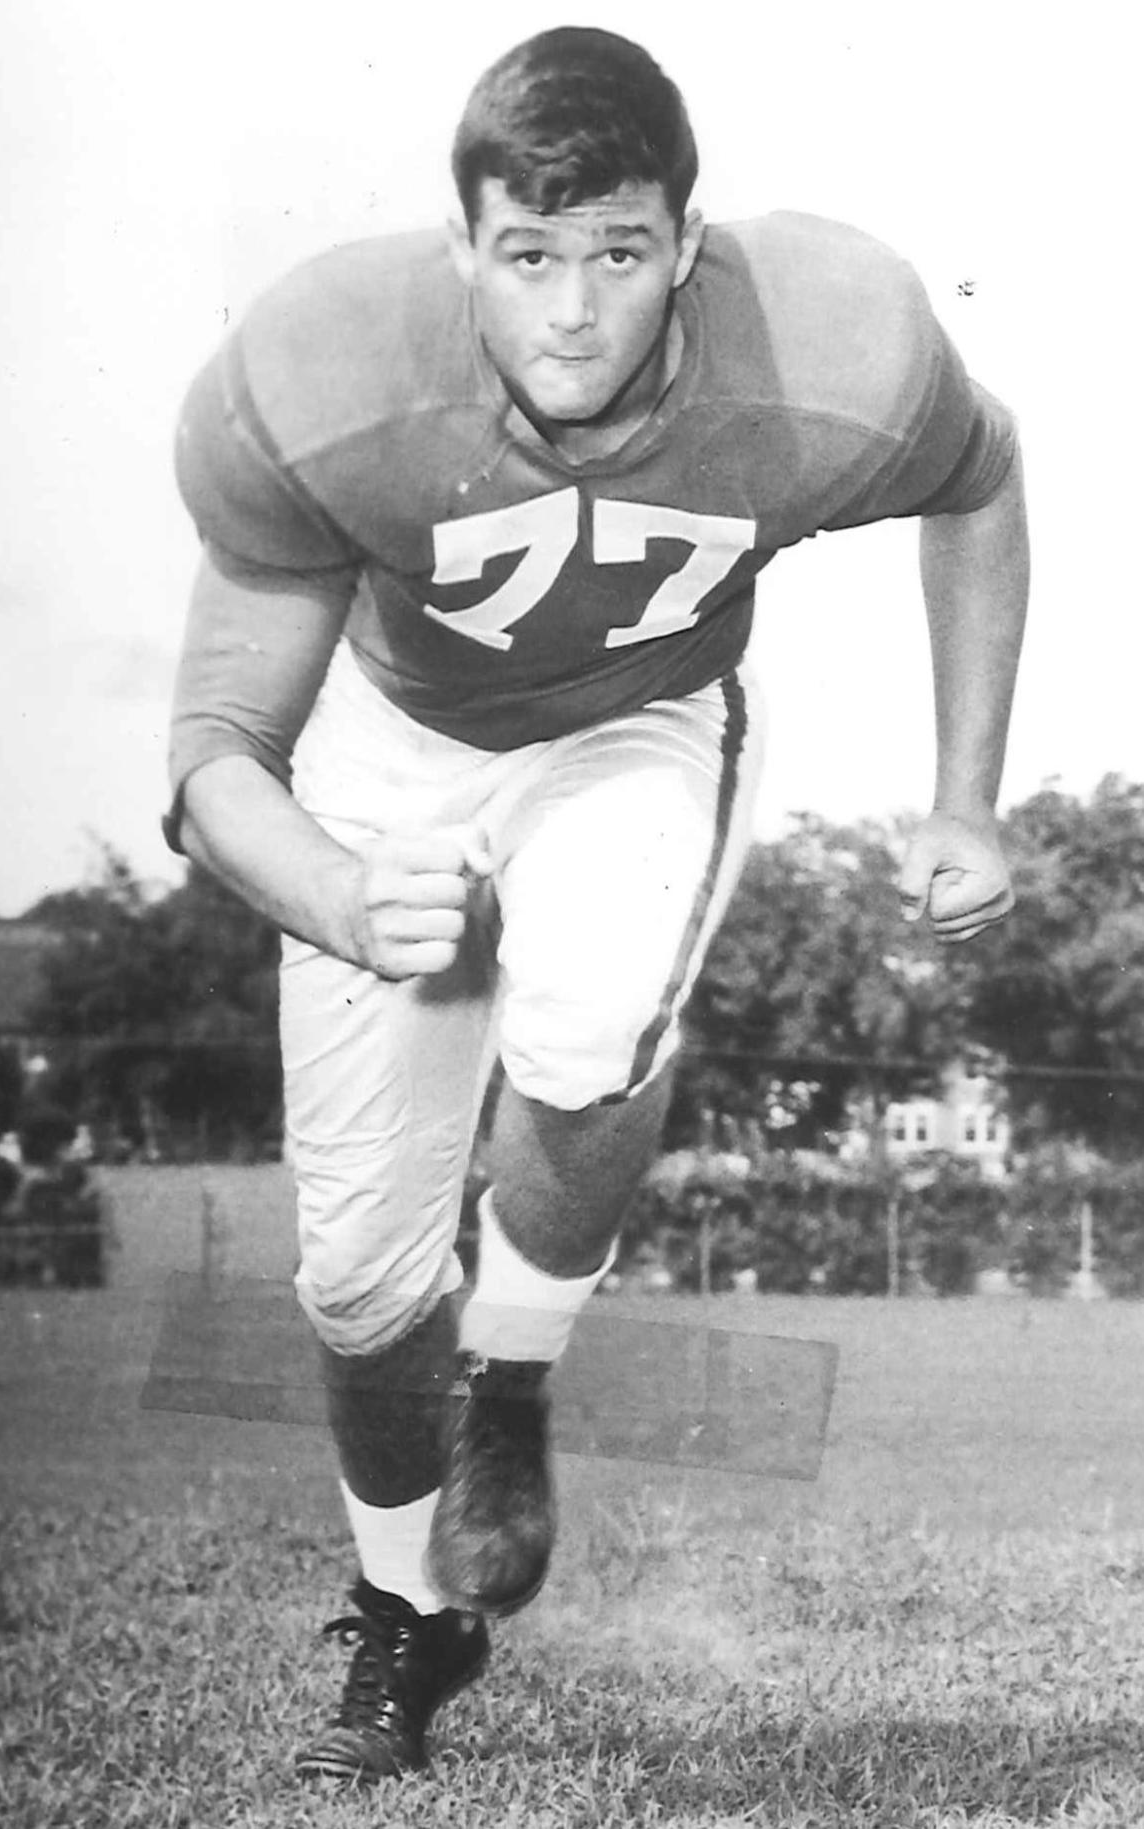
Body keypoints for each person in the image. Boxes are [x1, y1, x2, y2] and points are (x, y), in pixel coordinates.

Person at [165, 25, 1028, 1787]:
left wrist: (963, 796)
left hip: (638, 723)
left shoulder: (832, 347)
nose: (571, 309)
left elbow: (981, 478)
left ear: (685, 248)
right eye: (529, 255)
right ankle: (407, 1613)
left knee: (587, 1008)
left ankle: (521, 1375)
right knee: (352, 1277)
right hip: (387, 751)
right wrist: (336, 887)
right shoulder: (321, 372)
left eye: (619, 254)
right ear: (462, 242)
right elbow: (211, 751)